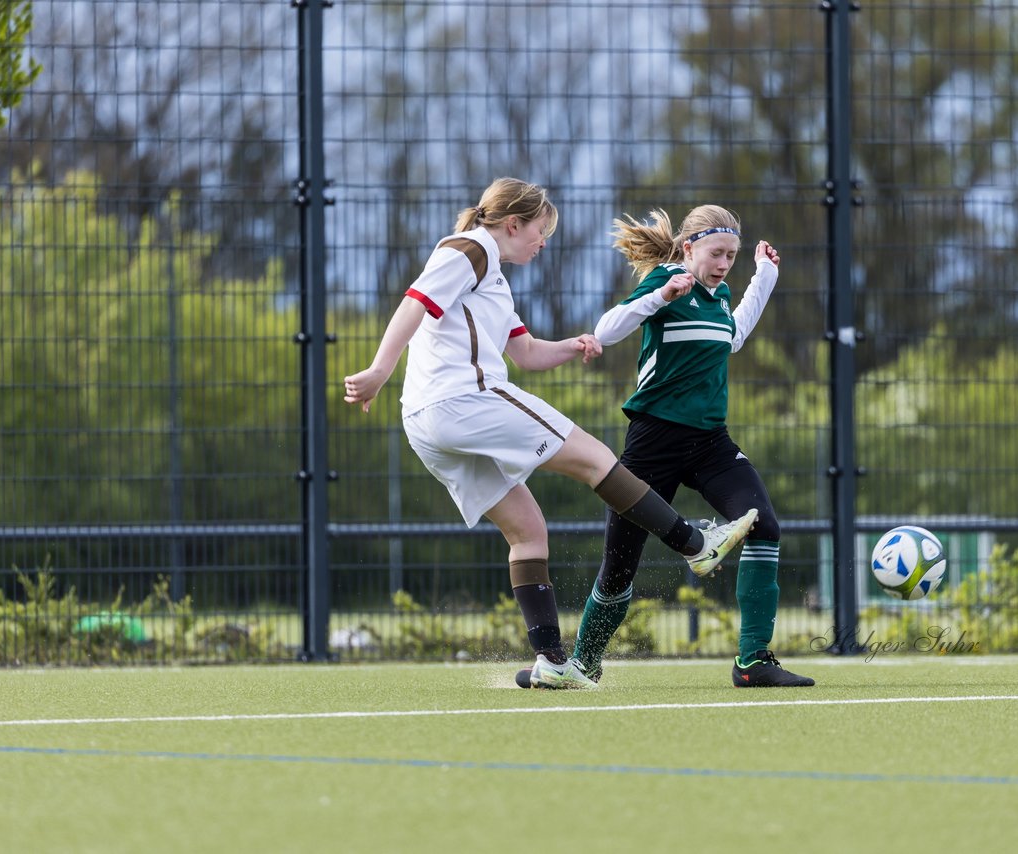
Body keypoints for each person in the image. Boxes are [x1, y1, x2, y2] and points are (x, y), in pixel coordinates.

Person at [342, 179, 758, 690]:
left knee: (527, 529)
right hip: (464, 399)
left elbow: (527, 354)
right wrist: (380, 370)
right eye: (541, 231)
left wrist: (574, 345)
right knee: (596, 458)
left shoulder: (491, 277)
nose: (543, 243)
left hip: (429, 423)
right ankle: (695, 544)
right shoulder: (469, 248)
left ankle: (553, 663)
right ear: (513, 224)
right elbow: (413, 305)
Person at [567, 205, 815, 688]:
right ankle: (582, 663)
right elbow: (606, 331)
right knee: (619, 567)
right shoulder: (667, 280)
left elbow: (734, 337)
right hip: (652, 441)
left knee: (764, 524)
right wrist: (661, 295)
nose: (724, 264)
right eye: (717, 253)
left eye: (732, 256)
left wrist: (764, 277)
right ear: (688, 248)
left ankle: (753, 661)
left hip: (710, 444)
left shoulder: (720, 296)